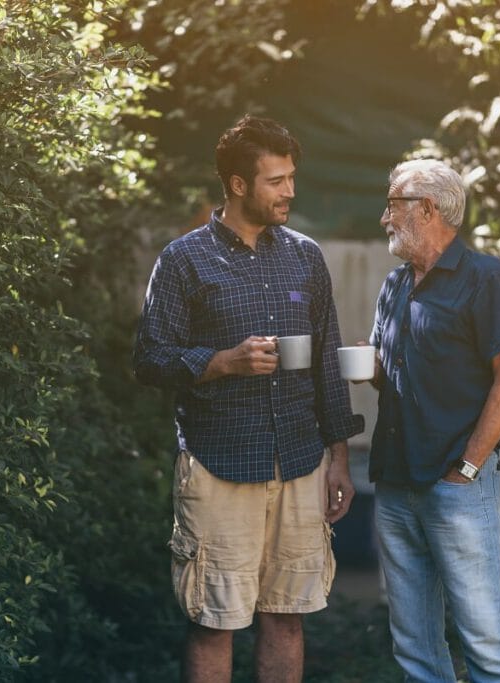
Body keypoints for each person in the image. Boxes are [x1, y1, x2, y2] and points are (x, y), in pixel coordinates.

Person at [133, 115, 363, 683]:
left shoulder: (306, 257)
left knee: (287, 617)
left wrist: (339, 457)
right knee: (215, 620)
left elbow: (327, 364)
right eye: (276, 180)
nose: (290, 191)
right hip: (219, 463)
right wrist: (219, 362)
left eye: (291, 178)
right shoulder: (184, 259)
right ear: (238, 185)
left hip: (299, 461)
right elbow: (149, 359)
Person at [368, 159, 500, 682]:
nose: (385, 217)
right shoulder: (393, 286)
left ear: (427, 209)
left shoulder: (485, 278)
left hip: (456, 487)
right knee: (414, 647)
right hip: (394, 484)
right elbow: (394, 373)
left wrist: (468, 469)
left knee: (484, 641)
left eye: (393, 204)